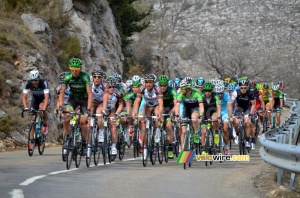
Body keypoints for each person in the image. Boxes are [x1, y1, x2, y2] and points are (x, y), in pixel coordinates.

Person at [58, 58, 92, 157]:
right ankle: (67, 137)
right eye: (72, 69)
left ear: (80, 69)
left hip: (84, 100)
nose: (74, 72)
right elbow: (62, 92)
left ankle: (85, 144)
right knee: (66, 116)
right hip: (73, 98)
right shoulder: (67, 77)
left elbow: (90, 94)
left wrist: (88, 110)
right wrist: (61, 105)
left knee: (83, 121)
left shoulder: (85, 77)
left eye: (76, 70)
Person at [22, 69, 51, 149]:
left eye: (36, 80)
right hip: (35, 99)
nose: (34, 82)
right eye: (32, 80)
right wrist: (26, 108)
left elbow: (47, 96)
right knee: (32, 119)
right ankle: (31, 139)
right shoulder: (28, 83)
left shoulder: (43, 83)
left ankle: (44, 123)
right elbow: (24, 97)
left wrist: (43, 109)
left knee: (42, 107)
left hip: (44, 99)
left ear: (38, 78)